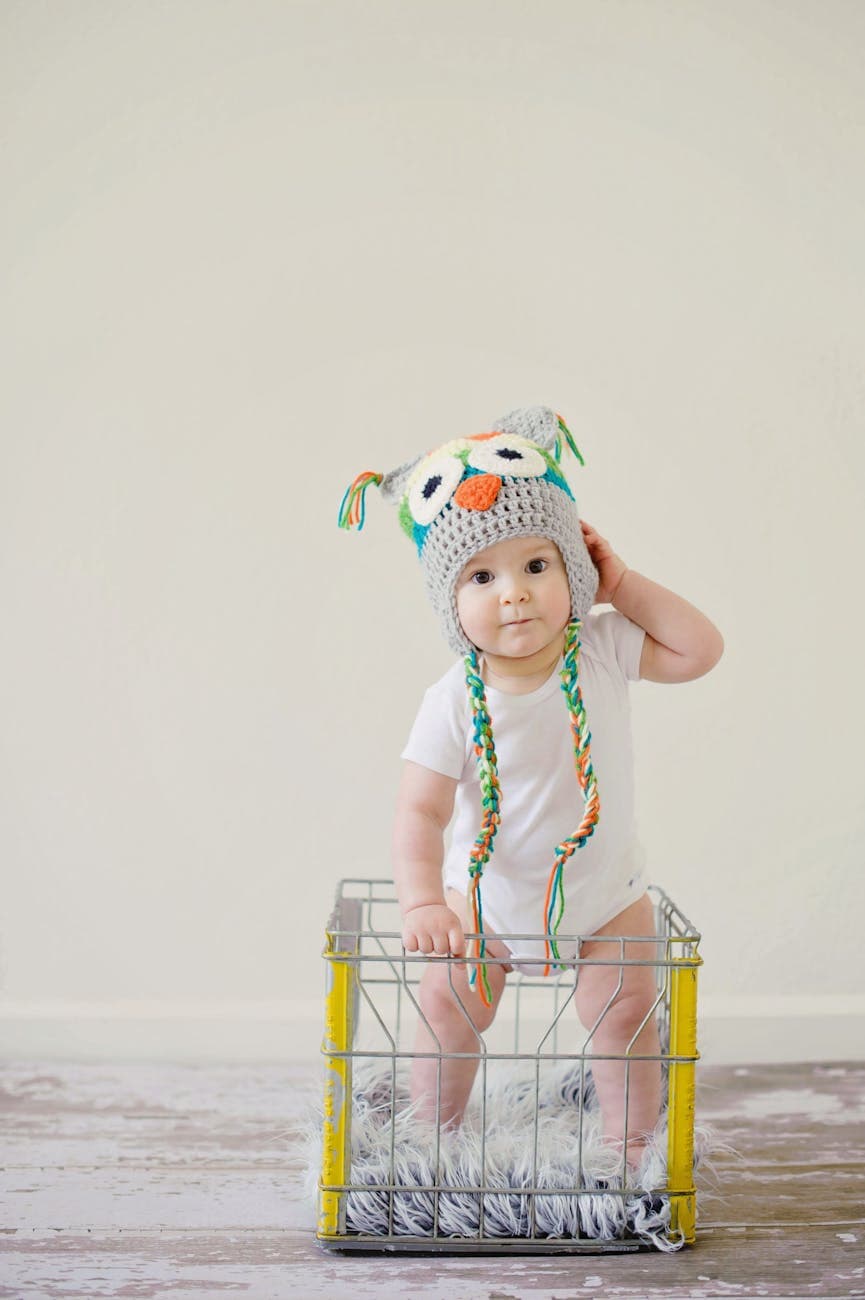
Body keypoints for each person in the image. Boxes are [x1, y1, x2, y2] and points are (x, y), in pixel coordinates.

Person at [338, 405, 723, 1170]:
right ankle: (431, 1140)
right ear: (450, 602)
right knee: (448, 1010)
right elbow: (421, 809)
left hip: (607, 894)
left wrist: (623, 583)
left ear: (574, 571)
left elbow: (697, 649)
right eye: (481, 577)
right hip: (481, 901)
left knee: (620, 1019)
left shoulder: (604, 648)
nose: (512, 593)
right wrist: (422, 903)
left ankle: (627, 1153)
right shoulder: (452, 697)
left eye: (536, 566)